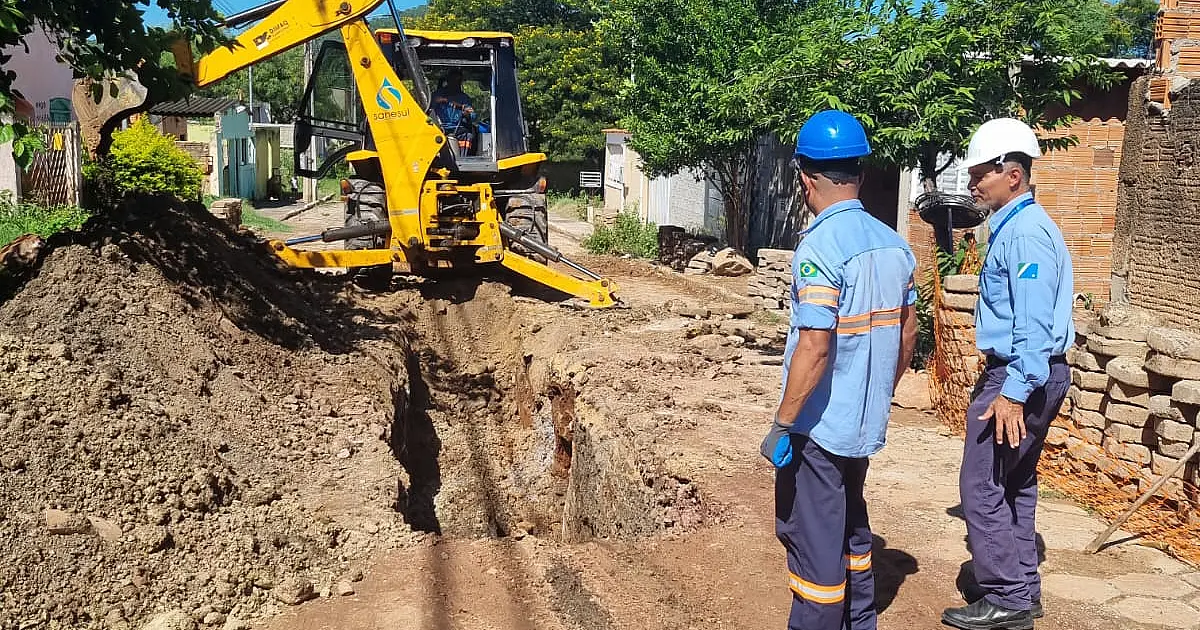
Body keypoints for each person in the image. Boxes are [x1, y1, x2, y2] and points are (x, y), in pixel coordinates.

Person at [760, 110, 919, 630]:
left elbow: (814, 346)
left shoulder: (820, 247)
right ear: (861, 174)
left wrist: (784, 422)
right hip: (864, 425)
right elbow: (908, 335)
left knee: (813, 544)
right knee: (851, 526)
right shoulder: (896, 246)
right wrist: (880, 395)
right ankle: (859, 621)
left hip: (820, 429)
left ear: (804, 177)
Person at [940, 118, 1074, 630]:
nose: (973, 184)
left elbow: (1034, 324)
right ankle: (1021, 590)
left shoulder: (1025, 234)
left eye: (980, 175)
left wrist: (1014, 392)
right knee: (1014, 481)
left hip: (1020, 375)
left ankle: (1008, 598)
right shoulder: (1017, 227)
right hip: (1026, 372)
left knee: (980, 483)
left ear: (1011, 174)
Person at [431, 69, 476, 150]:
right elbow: (428, 110)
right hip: (438, 128)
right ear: (448, 81)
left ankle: (462, 159)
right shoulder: (436, 95)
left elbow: (472, 115)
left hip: (458, 129)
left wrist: (467, 114)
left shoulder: (464, 98)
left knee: (468, 136)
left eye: (458, 81)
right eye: (453, 80)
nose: (455, 83)